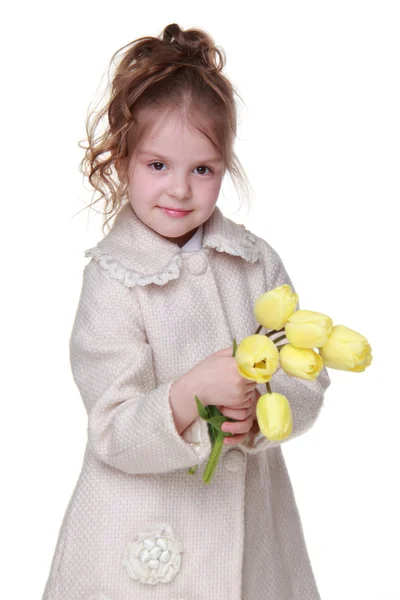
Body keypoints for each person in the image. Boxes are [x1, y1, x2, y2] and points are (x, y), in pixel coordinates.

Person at [42, 22, 331, 600]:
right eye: (157, 166)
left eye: (203, 170)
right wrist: (186, 393)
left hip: (252, 538)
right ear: (122, 159)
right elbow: (113, 427)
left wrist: (264, 419)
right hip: (136, 535)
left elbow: (308, 372)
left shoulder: (253, 262)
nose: (179, 190)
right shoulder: (112, 278)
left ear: (225, 164)